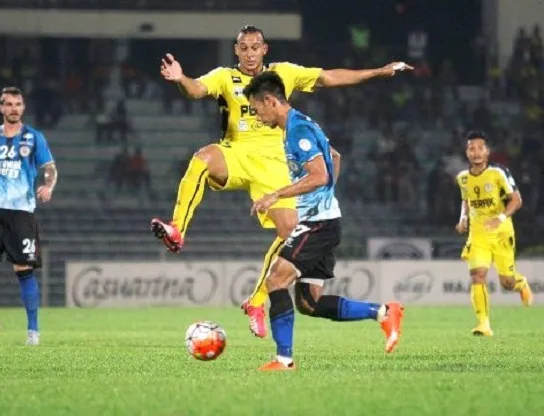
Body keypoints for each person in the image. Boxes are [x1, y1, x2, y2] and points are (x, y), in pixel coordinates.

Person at [151, 25, 412, 337]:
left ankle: (256, 302)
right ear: (236, 50)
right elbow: (196, 90)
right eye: (244, 48)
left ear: (265, 49)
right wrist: (181, 78)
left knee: (290, 232)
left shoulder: (283, 73)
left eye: (255, 47)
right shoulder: (224, 77)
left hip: (275, 165)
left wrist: (378, 72)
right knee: (203, 159)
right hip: (236, 153)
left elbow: (329, 77)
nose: (249, 54)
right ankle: (177, 229)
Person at [244, 72, 404, 371]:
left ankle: (284, 360)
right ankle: (384, 312)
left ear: (270, 101)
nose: (256, 116)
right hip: (325, 220)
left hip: (316, 225)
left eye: (256, 109)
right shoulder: (302, 124)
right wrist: (326, 200)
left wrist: (275, 195)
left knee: (275, 280)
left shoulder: (297, 130)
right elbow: (335, 156)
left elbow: (320, 175)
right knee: (309, 303)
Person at [0, 86, 57, 346]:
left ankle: (33, 330)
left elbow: (50, 168)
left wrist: (48, 186)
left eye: (18, 104)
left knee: (24, 269)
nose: (14, 109)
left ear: (23, 107)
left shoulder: (34, 137)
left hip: (21, 213)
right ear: (1, 108)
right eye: (9, 104)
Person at [455, 131, 533, 337]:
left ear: (487, 152)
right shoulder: (462, 178)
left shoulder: (499, 173)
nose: (476, 153)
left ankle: (520, 284)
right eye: (472, 149)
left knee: (507, 283)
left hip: (501, 232)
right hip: (478, 233)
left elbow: (516, 200)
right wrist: (463, 218)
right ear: (467, 152)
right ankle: (483, 324)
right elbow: (466, 200)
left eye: (480, 148)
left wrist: (500, 217)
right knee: (477, 275)